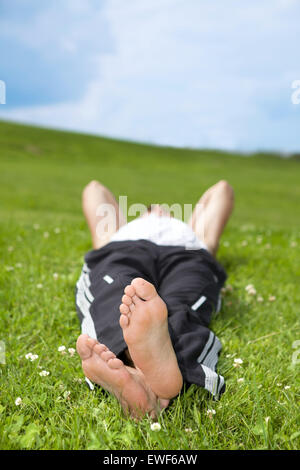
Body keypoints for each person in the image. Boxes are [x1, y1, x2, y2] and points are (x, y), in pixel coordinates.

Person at [75, 179, 234, 418]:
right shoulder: (118, 231)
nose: (158, 210)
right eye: (151, 209)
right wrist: (136, 219)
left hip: (188, 253)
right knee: (119, 294)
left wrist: (184, 221)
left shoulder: (192, 232)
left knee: (179, 304)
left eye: (163, 210)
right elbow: (94, 188)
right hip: (125, 248)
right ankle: (142, 371)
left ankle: (139, 374)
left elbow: (222, 189)